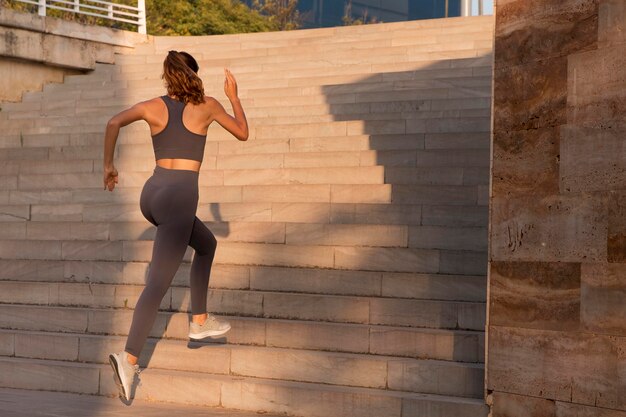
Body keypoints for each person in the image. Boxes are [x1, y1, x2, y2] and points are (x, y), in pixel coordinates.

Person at [102, 50, 249, 402]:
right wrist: (234, 97)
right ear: (194, 74)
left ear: (168, 77)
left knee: (207, 244)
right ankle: (129, 358)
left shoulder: (153, 105)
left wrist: (108, 166)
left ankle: (199, 319)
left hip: (152, 195)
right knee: (158, 284)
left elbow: (112, 123)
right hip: (181, 195)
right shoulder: (210, 105)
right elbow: (243, 132)